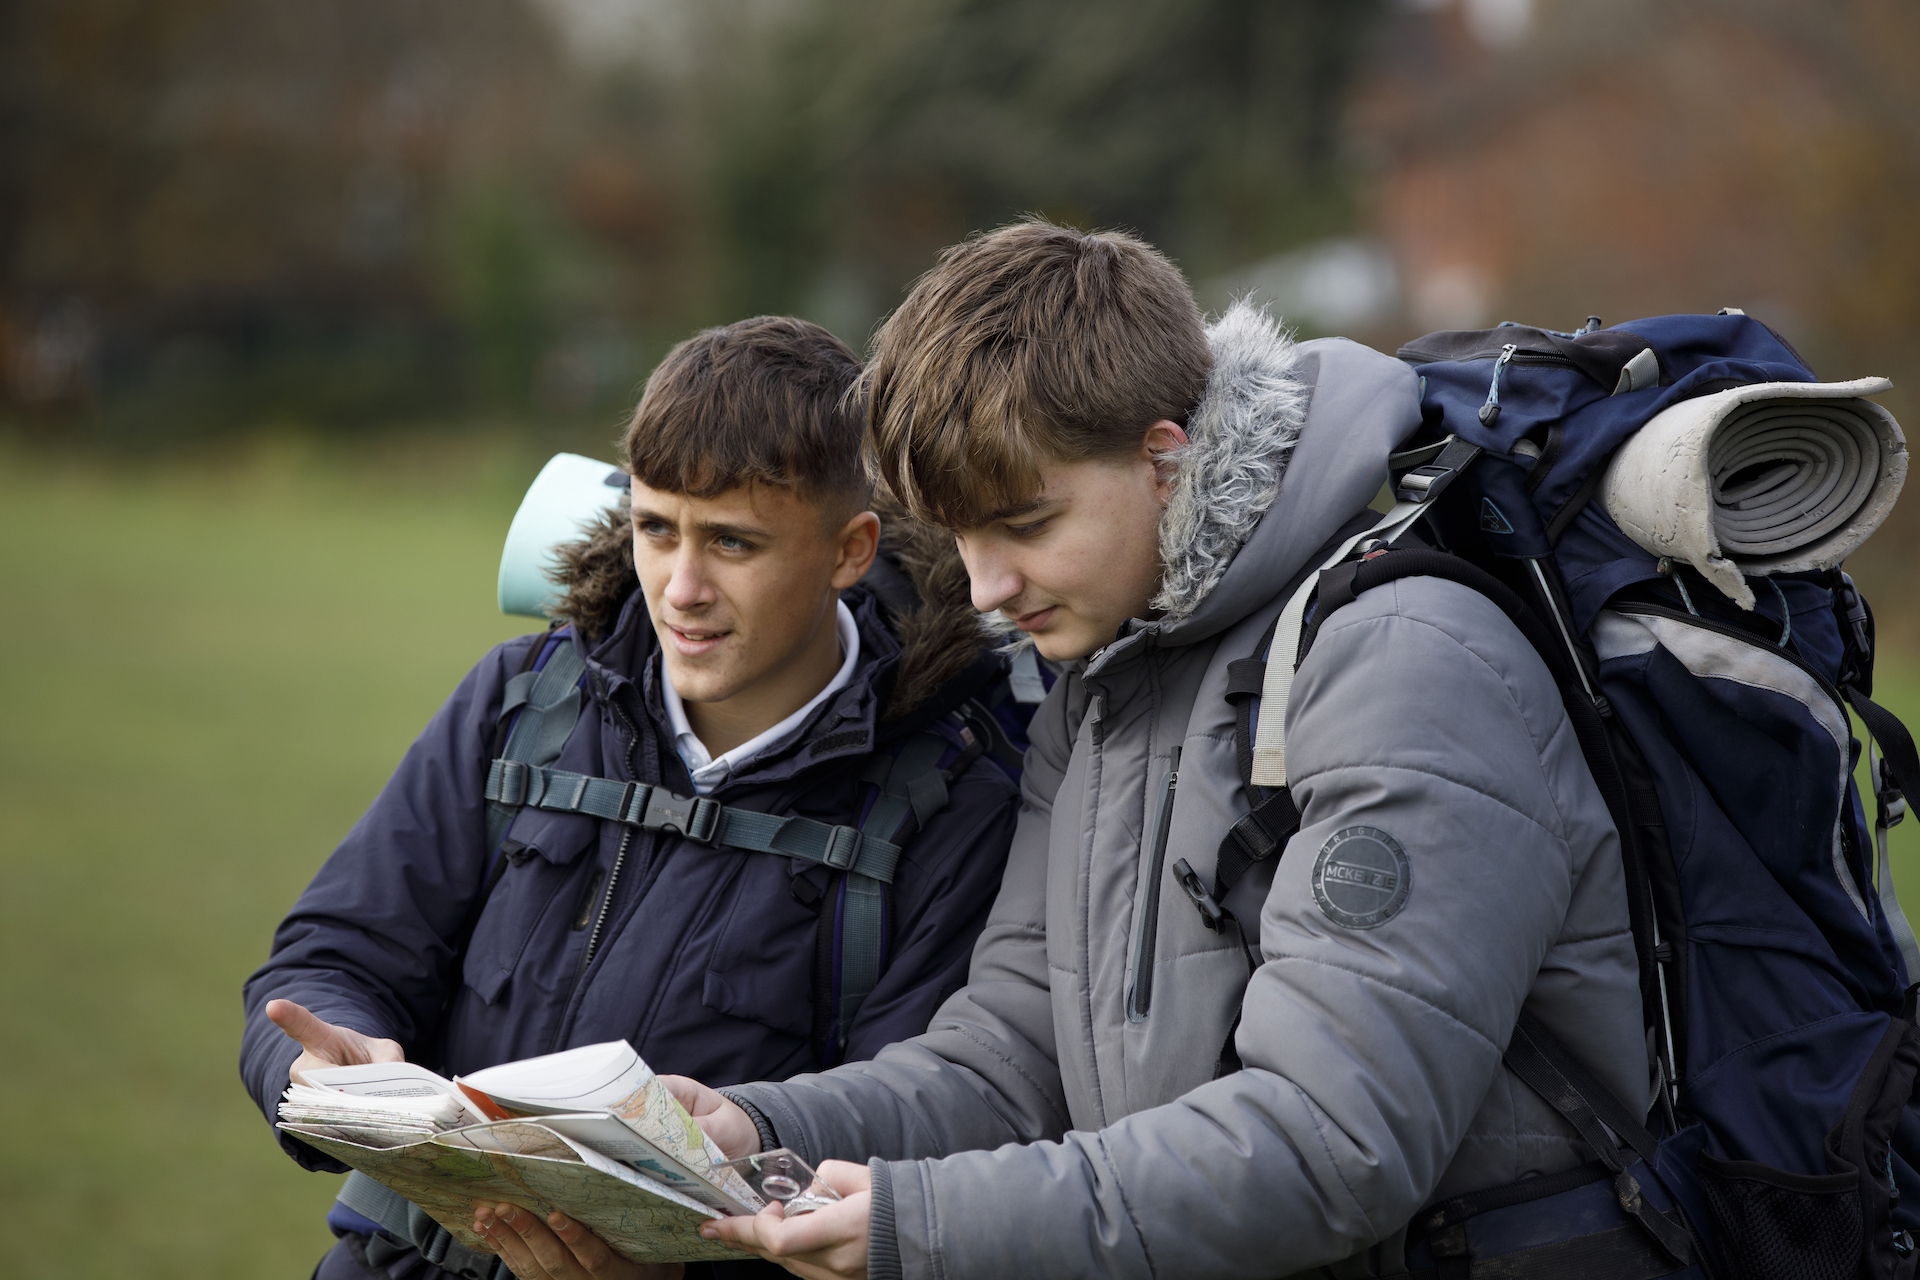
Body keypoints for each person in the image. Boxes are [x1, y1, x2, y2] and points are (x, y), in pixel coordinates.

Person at [487, 220, 1644, 1279]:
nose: (985, 589)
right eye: (963, 536)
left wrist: (923, 1221)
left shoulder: (1406, 663)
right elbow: (1010, 1058)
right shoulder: (1105, 673)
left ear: (1166, 456)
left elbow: (1333, 1141)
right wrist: (759, 1128)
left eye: (1026, 523)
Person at [239, 316, 1024, 1280]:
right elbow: (331, 959)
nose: (680, 587)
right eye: (656, 529)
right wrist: (317, 1069)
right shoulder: (523, 699)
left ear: (850, 549)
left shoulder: (954, 802)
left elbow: (902, 1146)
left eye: (732, 543)